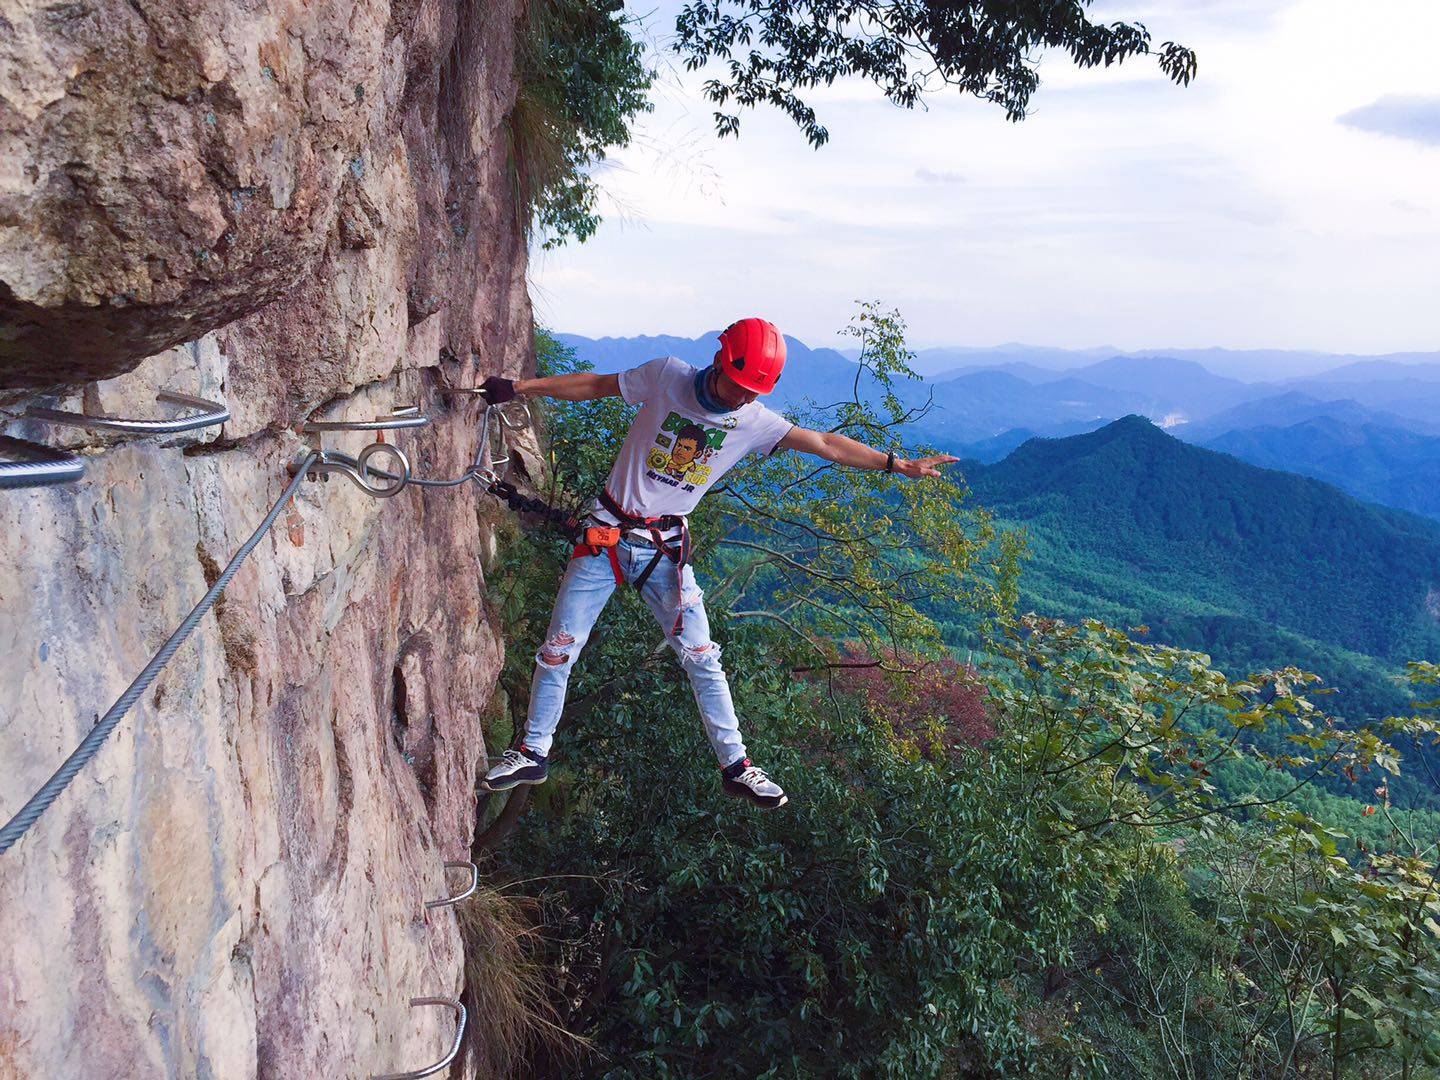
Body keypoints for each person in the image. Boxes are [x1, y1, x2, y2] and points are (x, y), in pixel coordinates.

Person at [476, 318, 958, 808]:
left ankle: (736, 765)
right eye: (739, 385)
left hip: (665, 553)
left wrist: (897, 464)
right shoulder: (667, 376)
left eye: (753, 392)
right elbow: (598, 385)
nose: (742, 399)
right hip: (603, 537)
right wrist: (517, 388)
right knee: (559, 648)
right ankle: (533, 751)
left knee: (703, 659)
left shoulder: (753, 422)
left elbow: (825, 444)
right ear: (719, 360)